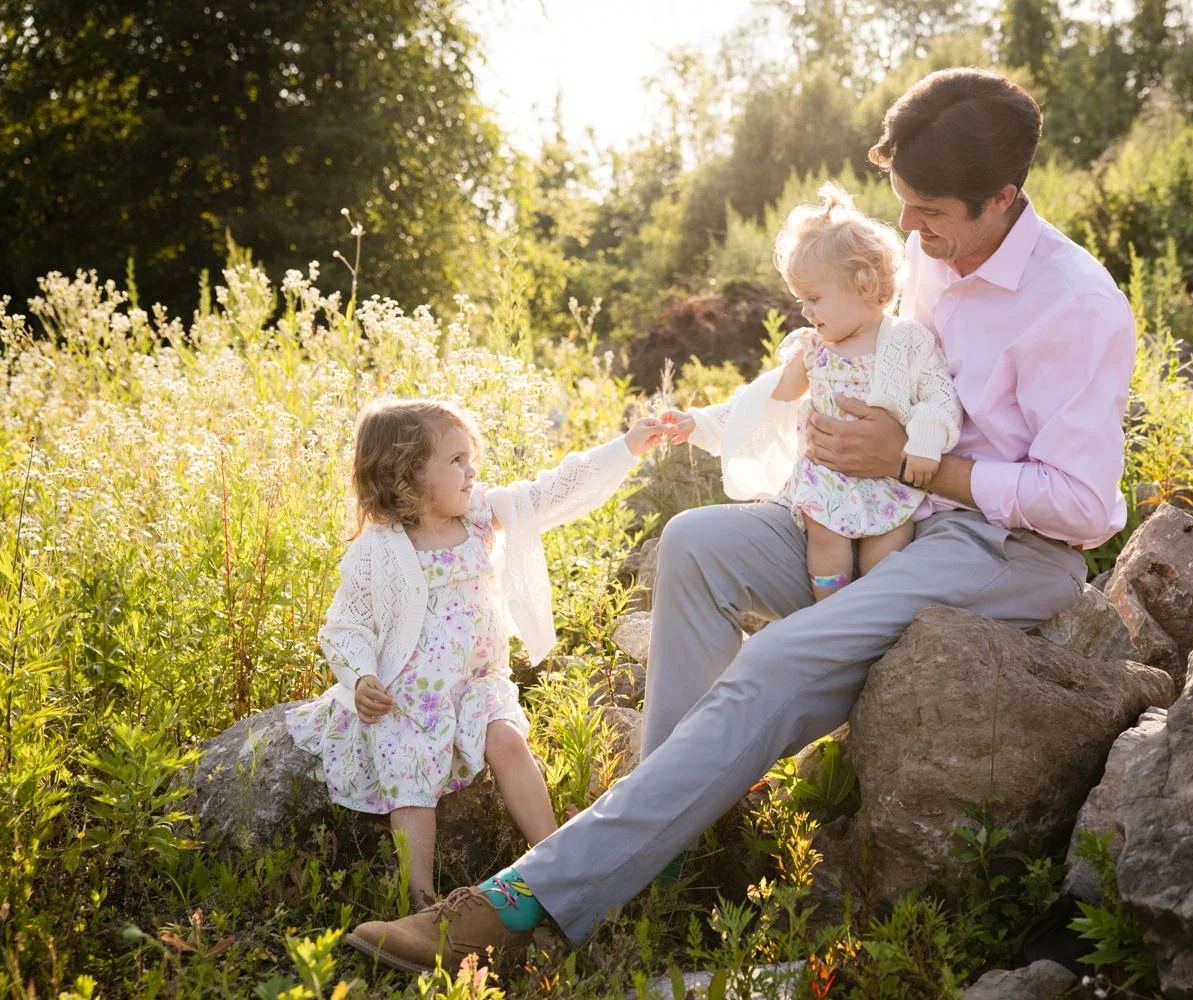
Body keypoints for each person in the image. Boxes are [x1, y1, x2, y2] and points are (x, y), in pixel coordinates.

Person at [347, 67, 1136, 974]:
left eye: (931, 214)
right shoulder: (928, 249)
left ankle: (519, 904)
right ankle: (665, 834)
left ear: (1004, 198)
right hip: (886, 508)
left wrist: (917, 462)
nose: (911, 234)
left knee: (777, 659)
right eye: (903, 208)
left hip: (1004, 546)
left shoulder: (1076, 304)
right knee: (695, 542)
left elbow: (1083, 506)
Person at [289, 398, 668, 913]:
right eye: (457, 460)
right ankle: (422, 902)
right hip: (410, 696)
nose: (472, 471)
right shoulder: (376, 550)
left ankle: (558, 860)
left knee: (507, 739)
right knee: (410, 773)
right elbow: (346, 627)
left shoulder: (480, 517)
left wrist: (625, 448)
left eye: (471, 459)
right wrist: (360, 677)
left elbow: (552, 491)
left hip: (476, 684)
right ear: (408, 474)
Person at [663, 183, 961, 600]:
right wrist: (700, 422)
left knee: (887, 553)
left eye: (815, 298)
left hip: (888, 481)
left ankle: (874, 617)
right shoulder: (813, 349)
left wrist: (927, 441)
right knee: (825, 545)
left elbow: (938, 395)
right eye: (801, 299)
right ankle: (830, 611)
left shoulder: (906, 341)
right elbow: (763, 401)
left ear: (864, 285)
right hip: (826, 481)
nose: (805, 311)